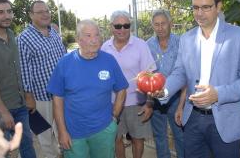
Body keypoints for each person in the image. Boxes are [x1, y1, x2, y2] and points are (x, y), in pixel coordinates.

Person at [149, 0, 240, 158]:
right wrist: (164, 90)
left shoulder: (239, 36)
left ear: (219, 6)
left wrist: (218, 94)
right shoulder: (187, 39)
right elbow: (180, 72)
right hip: (193, 118)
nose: (199, 13)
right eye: (195, 7)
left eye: (206, 7)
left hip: (226, 120)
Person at [46, 19, 128, 158]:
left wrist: (114, 116)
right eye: (88, 35)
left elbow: (122, 88)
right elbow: (57, 100)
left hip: (104, 130)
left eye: (97, 35)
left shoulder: (109, 60)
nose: (94, 40)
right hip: (73, 133)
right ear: (78, 39)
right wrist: (62, 131)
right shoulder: (65, 63)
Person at [101, 10, 156, 158]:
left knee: (137, 138)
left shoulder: (141, 45)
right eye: (118, 26)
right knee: (116, 138)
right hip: (112, 103)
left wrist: (149, 104)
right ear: (111, 27)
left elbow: (151, 77)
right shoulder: (104, 48)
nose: (122, 29)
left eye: (126, 25)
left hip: (136, 103)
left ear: (130, 26)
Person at [17, 0, 66, 158]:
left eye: (47, 11)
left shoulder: (53, 33)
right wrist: (28, 97)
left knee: (63, 127)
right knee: (44, 134)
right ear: (31, 15)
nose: (45, 14)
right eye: (40, 12)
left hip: (62, 93)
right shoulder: (24, 39)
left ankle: (63, 153)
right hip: (41, 96)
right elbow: (24, 71)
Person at [0, 0, 37, 158]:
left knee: (27, 145)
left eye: (9, 11)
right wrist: (4, 111)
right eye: (0, 12)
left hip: (20, 105)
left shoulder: (12, 35)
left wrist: (26, 95)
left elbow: (18, 70)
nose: (7, 16)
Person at [146, 9, 184, 158]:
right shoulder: (148, 44)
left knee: (180, 135)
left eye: (163, 24)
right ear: (153, 26)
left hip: (175, 98)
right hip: (155, 98)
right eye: (156, 24)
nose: (160, 28)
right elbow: (146, 71)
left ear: (170, 24)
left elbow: (185, 72)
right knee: (159, 136)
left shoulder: (181, 42)